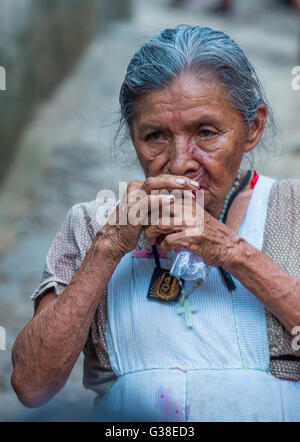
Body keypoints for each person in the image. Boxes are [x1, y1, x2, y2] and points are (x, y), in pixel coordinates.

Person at [11, 25, 300, 422]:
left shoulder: (292, 208)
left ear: (253, 128)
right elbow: (31, 385)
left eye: (206, 132)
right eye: (156, 136)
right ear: (132, 136)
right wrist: (109, 246)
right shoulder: (92, 225)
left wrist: (232, 252)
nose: (180, 161)